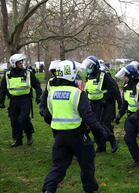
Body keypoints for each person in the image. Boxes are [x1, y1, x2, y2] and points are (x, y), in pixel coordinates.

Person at [42, 60, 108, 193]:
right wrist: (102, 133)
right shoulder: (77, 93)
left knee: (58, 166)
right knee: (87, 164)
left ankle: (48, 189)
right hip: (78, 137)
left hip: (59, 137)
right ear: (70, 74)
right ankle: (91, 190)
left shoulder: (52, 93)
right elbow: (89, 117)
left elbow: (48, 116)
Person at [0, 53, 42, 147]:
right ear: (14, 64)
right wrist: (1, 101)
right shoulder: (7, 74)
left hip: (25, 100)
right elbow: (3, 88)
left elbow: (37, 85)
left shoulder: (28, 73)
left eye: (22, 62)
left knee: (23, 119)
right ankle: (18, 140)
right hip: (13, 101)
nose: (22, 64)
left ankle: (29, 134)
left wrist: (39, 96)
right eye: (20, 63)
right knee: (14, 120)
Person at [83, 56, 121, 153]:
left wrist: (105, 98)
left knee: (102, 125)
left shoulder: (103, 75)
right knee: (93, 126)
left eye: (89, 66)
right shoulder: (89, 76)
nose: (88, 68)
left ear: (95, 66)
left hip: (104, 104)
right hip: (93, 104)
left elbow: (113, 88)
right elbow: (89, 90)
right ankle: (101, 146)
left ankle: (112, 140)